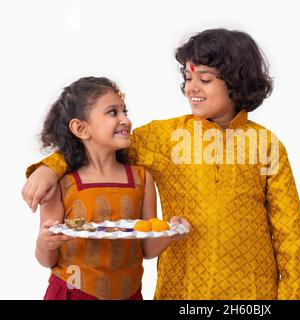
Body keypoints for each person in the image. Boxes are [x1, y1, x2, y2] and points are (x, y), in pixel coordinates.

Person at [23, 29, 300, 299]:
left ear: (237, 82)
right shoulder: (166, 138)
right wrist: (52, 166)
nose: (192, 88)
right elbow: (99, 143)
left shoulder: (266, 145)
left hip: (253, 292)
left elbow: (291, 233)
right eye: (188, 79)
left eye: (205, 79)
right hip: (182, 287)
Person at [34, 76, 189, 300]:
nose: (125, 120)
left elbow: (146, 248)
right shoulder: (60, 182)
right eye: (113, 112)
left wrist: (171, 234)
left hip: (129, 294)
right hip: (72, 293)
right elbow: (47, 259)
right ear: (80, 128)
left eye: (125, 111)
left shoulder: (141, 178)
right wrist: (44, 243)